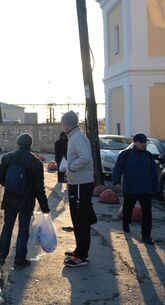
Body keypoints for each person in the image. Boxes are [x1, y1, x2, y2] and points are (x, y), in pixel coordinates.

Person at [0, 134, 51, 268]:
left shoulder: (7, 157)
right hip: (26, 201)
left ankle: (2, 255)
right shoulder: (36, 163)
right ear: (30, 145)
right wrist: (44, 207)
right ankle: (20, 259)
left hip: (10, 198)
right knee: (23, 229)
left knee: (7, 226)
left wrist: (8, 185)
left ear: (18, 142)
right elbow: (39, 188)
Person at [61, 111, 94, 268]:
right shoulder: (74, 137)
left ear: (68, 124)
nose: (62, 126)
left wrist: (71, 167)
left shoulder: (77, 138)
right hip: (77, 184)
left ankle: (81, 256)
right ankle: (79, 250)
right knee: (77, 219)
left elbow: (86, 157)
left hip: (81, 184)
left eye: (63, 123)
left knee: (81, 220)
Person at [112, 133, 158, 245]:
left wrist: (155, 188)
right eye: (141, 142)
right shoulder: (125, 154)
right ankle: (126, 224)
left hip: (145, 189)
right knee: (127, 209)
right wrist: (116, 182)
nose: (144, 144)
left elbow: (153, 173)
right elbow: (117, 168)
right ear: (135, 142)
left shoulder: (148, 156)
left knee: (147, 213)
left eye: (145, 142)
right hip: (130, 188)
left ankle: (146, 235)